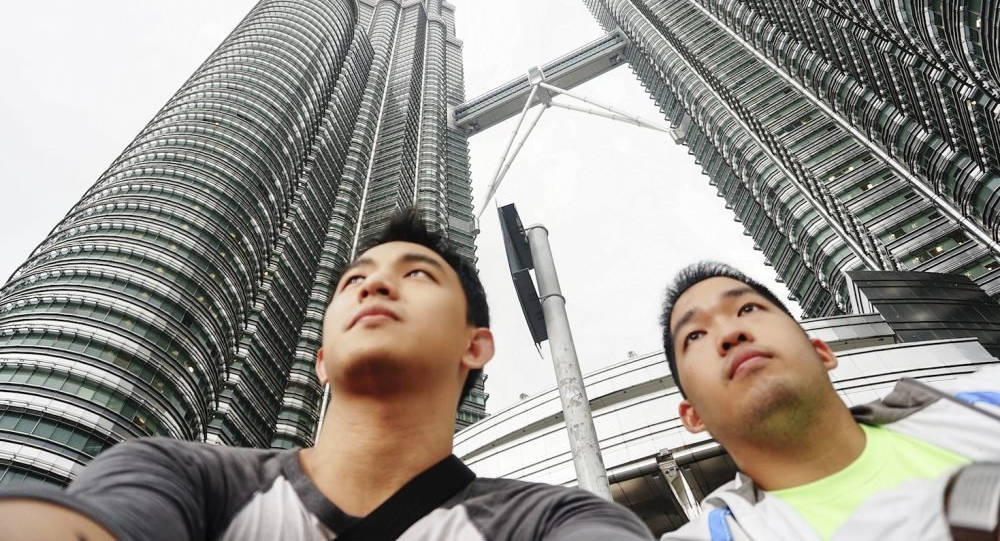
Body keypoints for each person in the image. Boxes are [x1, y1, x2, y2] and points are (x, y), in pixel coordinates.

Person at [0, 209, 652, 541]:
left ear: (475, 345)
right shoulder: (187, 477)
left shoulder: (547, 519)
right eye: (355, 279)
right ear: (320, 358)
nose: (376, 284)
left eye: (417, 274)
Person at [659, 261, 1000, 541]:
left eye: (747, 308)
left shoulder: (985, 401)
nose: (730, 334)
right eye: (695, 335)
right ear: (693, 417)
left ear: (821, 351)